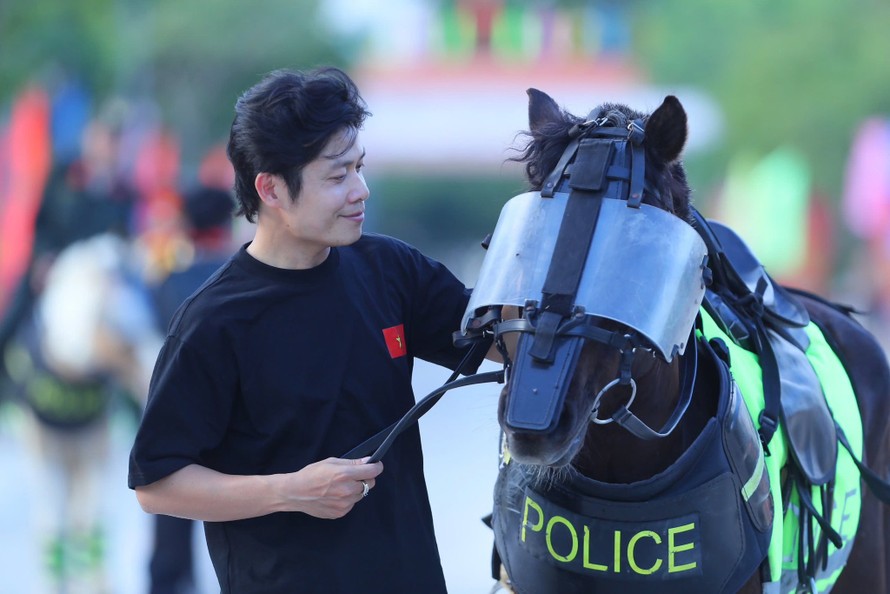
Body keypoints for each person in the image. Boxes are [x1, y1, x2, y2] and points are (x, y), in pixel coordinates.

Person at [128, 67, 491, 593]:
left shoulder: (390, 270)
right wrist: (289, 491)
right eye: (337, 175)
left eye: (360, 168)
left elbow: (502, 341)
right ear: (271, 188)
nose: (360, 190)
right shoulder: (215, 321)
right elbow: (157, 484)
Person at [147, 182, 236, 594]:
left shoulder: (170, 279)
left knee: (171, 516)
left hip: (180, 417)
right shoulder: (240, 272)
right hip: (241, 420)